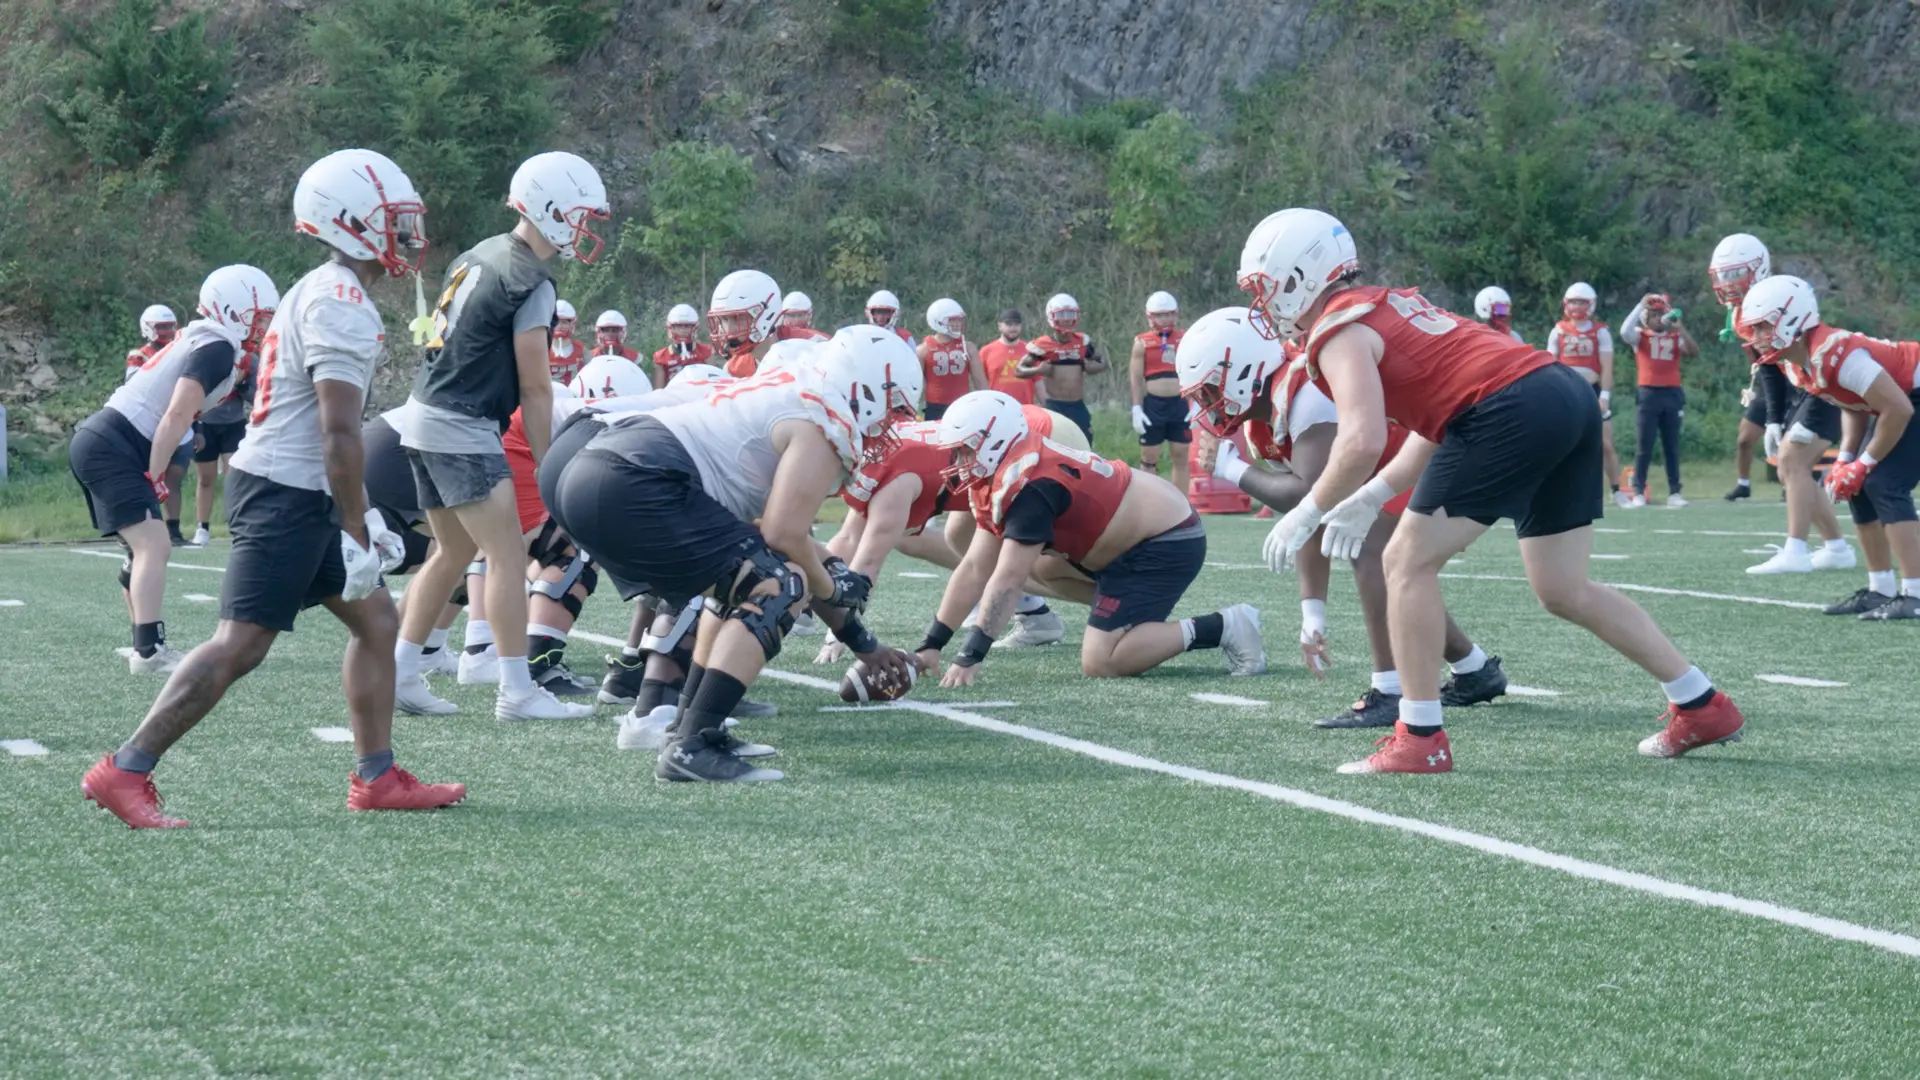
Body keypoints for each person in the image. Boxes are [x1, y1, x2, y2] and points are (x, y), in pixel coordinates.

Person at [1241, 207, 1743, 774]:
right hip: (1562, 394)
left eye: (1264, 287)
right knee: (1563, 588)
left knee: (1402, 562)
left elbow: (1361, 438)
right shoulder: (1387, 306)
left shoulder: (1338, 329)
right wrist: (1372, 494)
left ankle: (1420, 738)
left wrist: (1308, 510)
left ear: (1299, 275)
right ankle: (1701, 703)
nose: (1264, 303)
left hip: (1512, 405)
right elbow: (1437, 422)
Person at [80, 148, 464, 828]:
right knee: (242, 643)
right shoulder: (341, 302)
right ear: (351, 221)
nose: (408, 233)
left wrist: (354, 515)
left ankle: (376, 776)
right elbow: (337, 435)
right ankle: (126, 770)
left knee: (377, 622)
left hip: (299, 485)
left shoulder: (328, 289)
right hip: (288, 491)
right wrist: (357, 525)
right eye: (394, 219)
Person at [547, 327, 924, 781]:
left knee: (745, 582)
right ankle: (691, 745)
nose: (890, 425)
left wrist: (858, 635)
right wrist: (832, 588)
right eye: (894, 407)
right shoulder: (823, 418)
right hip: (633, 476)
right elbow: (785, 536)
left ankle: (688, 729)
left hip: (603, 469)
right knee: (781, 585)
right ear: (866, 387)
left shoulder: (794, 393)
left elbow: (773, 539)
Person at [1178, 306, 1506, 727]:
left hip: (1440, 450)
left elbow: (1309, 496)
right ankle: (1474, 670)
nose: (1205, 406)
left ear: (1242, 372)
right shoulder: (1271, 411)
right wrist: (1312, 612)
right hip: (1401, 466)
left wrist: (1233, 470)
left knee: (1375, 552)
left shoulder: (1306, 395)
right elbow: (1312, 514)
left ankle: (1391, 690)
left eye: (1208, 391)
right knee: (1380, 554)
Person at [389, 150, 607, 722]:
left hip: (422, 413)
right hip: (461, 424)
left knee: (454, 551)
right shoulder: (531, 281)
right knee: (507, 555)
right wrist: (549, 465)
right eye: (581, 216)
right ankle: (517, 690)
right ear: (553, 209)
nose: (585, 228)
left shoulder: (481, 252)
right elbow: (535, 387)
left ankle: (400, 672)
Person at [920, 390, 1264, 685]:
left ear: (995, 442)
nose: (958, 461)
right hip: (1132, 539)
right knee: (1042, 567)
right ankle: (1128, 621)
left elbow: (1007, 580)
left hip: (1167, 539)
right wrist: (931, 645)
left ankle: (1226, 626)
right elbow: (975, 567)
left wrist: (971, 654)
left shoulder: (1032, 487)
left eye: (965, 449)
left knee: (1101, 662)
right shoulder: (1008, 470)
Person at [71, 265, 275, 674]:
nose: (263, 327)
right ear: (232, 311)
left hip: (106, 440)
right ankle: (148, 651)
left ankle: (144, 642)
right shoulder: (217, 346)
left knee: (144, 546)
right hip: (116, 444)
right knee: (155, 545)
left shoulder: (209, 340)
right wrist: (157, 472)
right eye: (258, 317)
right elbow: (177, 413)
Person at [821, 404, 1084, 661]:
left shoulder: (892, 479)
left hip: (1035, 439)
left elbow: (867, 563)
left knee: (1038, 564)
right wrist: (810, 584)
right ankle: (1035, 613)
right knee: (960, 539)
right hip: (1003, 442)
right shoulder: (875, 457)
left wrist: (840, 632)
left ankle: (1103, 598)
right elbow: (848, 538)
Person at [1741, 276, 1920, 620]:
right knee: (1858, 487)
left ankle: (1915, 593)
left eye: (1763, 326)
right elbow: (1851, 403)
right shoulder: (1797, 363)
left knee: (1884, 483)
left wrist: (1864, 463)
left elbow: (1899, 409)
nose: (1757, 336)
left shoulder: (1836, 353)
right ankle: (1880, 589)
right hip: (1900, 400)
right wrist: (1846, 459)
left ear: (1792, 317)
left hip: (1910, 397)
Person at [1707, 234, 1855, 573]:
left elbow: (1798, 350)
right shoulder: (1741, 313)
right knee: (1790, 468)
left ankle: (1796, 551)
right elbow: (1769, 367)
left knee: (1791, 462)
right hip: (1802, 383)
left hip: (1820, 378)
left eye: (1735, 273)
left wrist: (1781, 416)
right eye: (1723, 275)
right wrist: (1774, 419)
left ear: (1758, 269)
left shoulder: (1777, 297)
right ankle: (1836, 548)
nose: (1728, 283)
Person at [1546, 282, 1628, 508]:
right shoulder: (1558, 330)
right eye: (1573, 302)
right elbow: (1550, 365)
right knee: (1561, 443)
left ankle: (1617, 490)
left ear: (1591, 305)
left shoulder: (1600, 332)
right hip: (1565, 392)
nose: (1576, 306)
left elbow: (1607, 367)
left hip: (1592, 391)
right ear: (1566, 303)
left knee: (1606, 444)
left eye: (1581, 302)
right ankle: (1558, 491)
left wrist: (1605, 396)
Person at [1619, 293, 1699, 507]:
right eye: (1653, 315)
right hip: (1648, 393)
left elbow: (1693, 351)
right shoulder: (1640, 336)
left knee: (1671, 445)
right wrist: (1640, 305)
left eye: (1660, 314)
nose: (1658, 319)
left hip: (1672, 393)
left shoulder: (1675, 336)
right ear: (1646, 318)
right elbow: (1624, 331)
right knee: (1644, 445)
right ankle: (1638, 491)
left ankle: (1675, 492)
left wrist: (1680, 327)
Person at [125, 305, 194, 543]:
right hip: (150, 424)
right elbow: (136, 387)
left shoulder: (182, 351)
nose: (165, 331)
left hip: (179, 422)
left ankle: (173, 529)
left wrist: (198, 428)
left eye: (169, 327)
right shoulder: (140, 354)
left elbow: (193, 391)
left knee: (174, 477)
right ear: (148, 328)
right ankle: (148, 526)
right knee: (150, 478)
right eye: (160, 327)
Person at [1016, 293, 1106, 443]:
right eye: (1061, 314)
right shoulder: (1043, 345)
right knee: (1054, 447)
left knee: (1084, 445)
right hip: (1055, 406)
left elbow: (1102, 361)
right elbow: (1019, 370)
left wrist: (1092, 367)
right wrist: (1037, 370)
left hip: (1077, 405)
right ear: (1052, 316)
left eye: (1069, 314)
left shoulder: (1082, 342)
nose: (1066, 319)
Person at [1130, 291, 1192, 494]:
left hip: (1179, 403)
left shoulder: (1186, 338)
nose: (1165, 319)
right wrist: (1137, 408)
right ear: (1150, 317)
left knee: (1181, 454)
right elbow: (1136, 378)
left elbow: (1196, 370)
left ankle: (1182, 504)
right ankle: (1150, 502)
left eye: (1169, 314)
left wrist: (1198, 403)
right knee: (1149, 457)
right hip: (1154, 405)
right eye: (1160, 315)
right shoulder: (1142, 342)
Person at [188, 364, 251, 547]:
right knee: (205, 479)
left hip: (234, 423)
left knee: (233, 477)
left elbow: (257, 396)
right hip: (205, 422)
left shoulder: (247, 359)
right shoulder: (208, 354)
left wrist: (241, 384)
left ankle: (236, 524)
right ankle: (202, 527)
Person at [919, 297, 988, 422]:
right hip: (935, 407)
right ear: (938, 321)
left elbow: (979, 380)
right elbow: (918, 385)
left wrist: (987, 402)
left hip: (963, 404)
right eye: (952, 320)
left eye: (959, 320)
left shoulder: (968, 347)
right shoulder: (923, 350)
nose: (958, 324)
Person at [709, 269, 784, 378]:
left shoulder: (804, 354)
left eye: (737, 318)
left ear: (767, 315)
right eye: (724, 319)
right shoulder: (735, 369)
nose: (729, 330)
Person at [982, 309, 1040, 405]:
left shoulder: (1031, 351)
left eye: (1016, 324)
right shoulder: (986, 352)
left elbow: (1039, 383)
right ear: (999, 326)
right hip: (997, 408)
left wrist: (1047, 408)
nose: (1013, 328)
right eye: (1009, 324)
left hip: (1025, 409)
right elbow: (980, 384)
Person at [652, 303, 715, 388]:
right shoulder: (661, 357)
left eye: (687, 326)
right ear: (671, 328)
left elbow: (714, 383)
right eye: (678, 326)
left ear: (694, 328)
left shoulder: (705, 352)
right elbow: (658, 391)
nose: (683, 330)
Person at [548, 298, 585, 382]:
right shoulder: (542, 348)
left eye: (564, 322)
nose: (559, 326)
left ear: (572, 324)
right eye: (556, 322)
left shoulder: (580, 348)